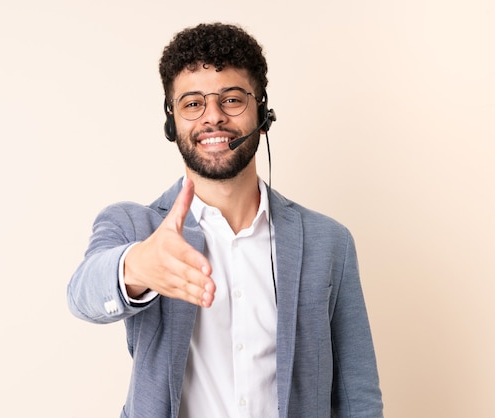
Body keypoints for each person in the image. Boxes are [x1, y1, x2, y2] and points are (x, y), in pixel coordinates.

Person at [67, 22, 383, 418]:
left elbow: (358, 395)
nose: (212, 118)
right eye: (192, 103)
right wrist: (137, 266)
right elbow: (83, 294)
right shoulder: (137, 228)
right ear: (172, 119)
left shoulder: (329, 242)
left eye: (231, 99)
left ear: (262, 109)